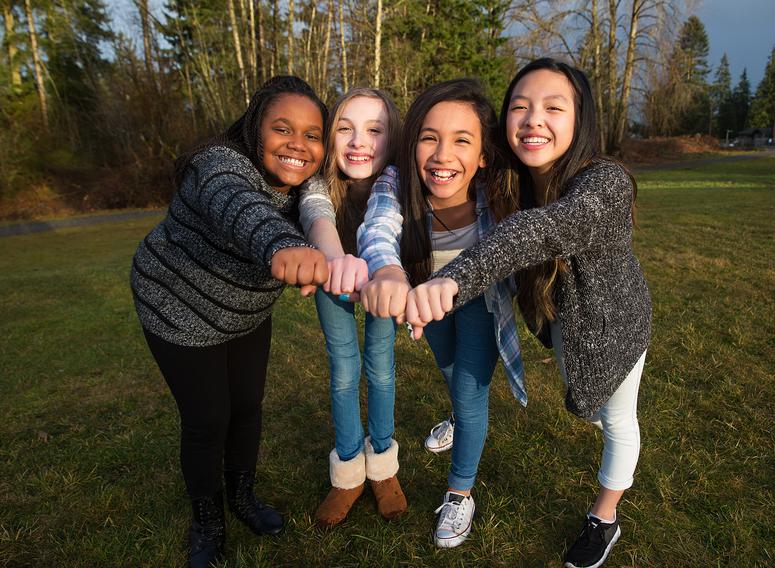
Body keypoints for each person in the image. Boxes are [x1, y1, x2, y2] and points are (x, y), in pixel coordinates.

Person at [404, 59, 652, 568]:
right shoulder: (511, 182)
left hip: (616, 326)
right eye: (520, 107)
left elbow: (537, 232)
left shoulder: (606, 183)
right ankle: (459, 417)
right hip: (562, 323)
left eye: (553, 108)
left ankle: (603, 520)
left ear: (579, 119)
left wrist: (452, 279)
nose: (534, 119)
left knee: (616, 422)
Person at [131, 76, 329, 568]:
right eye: (282, 128)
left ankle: (242, 496)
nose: (298, 145)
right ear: (253, 127)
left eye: (312, 134)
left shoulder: (309, 187)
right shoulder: (217, 164)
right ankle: (207, 518)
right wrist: (282, 246)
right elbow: (242, 207)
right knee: (208, 418)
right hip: (176, 303)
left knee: (246, 406)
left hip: (243, 313)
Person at [357, 79, 526, 548]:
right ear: (412, 143)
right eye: (429, 137)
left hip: (482, 303)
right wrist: (388, 271)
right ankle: (456, 415)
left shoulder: (496, 194)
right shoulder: (397, 183)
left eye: (461, 140)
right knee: (449, 370)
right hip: (424, 304)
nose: (442, 154)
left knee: (472, 395)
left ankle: (460, 491)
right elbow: (378, 227)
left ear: (484, 155)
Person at [296, 88, 407, 528]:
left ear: (392, 139)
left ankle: (382, 464)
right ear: (330, 137)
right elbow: (315, 213)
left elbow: (387, 224)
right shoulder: (319, 182)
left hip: (382, 281)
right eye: (346, 128)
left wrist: (382, 273)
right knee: (343, 369)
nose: (359, 141)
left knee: (380, 366)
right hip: (331, 278)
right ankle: (347, 473)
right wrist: (335, 261)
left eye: (374, 130)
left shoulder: (395, 182)